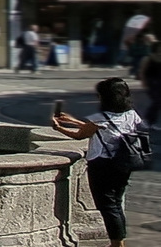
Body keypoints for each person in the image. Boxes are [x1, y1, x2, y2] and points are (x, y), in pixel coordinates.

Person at [52, 77, 148, 247]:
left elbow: (80, 135)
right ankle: (119, 242)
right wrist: (73, 121)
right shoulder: (131, 114)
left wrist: (58, 127)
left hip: (102, 165)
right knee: (116, 204)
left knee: (108, 207)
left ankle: (117, 245)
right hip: (123, 163)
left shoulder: (99, 117)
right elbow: (105, 129)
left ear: (105, 97)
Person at [139, 40, 161, 129]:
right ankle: (147, 121)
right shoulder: (149, 58)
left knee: (158, 102)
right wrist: (143, 82)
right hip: (152, 82)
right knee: (157, 101)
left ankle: (151, 121)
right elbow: (142, 71)